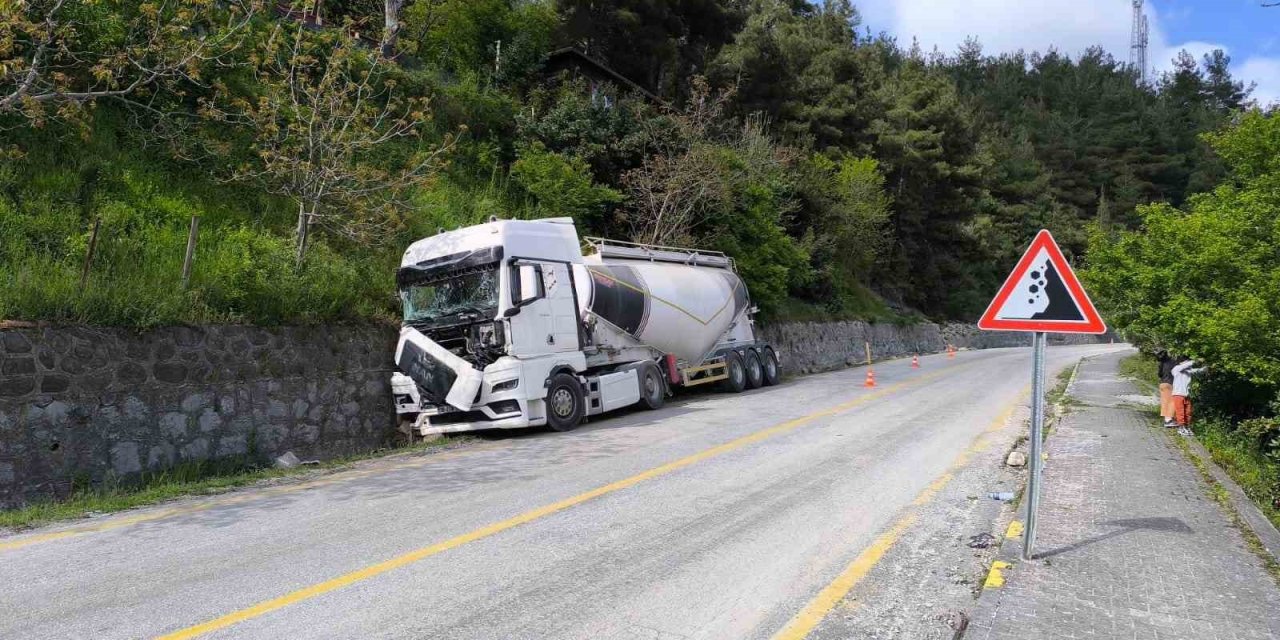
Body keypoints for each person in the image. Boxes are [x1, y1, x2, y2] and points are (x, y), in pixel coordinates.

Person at [1171, 358, 1206, 428]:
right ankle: (1181, 427)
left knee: (1188, 412)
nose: (1188, 363)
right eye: (1186, 361)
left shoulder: (1188, 372)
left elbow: (1199, 371)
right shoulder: (1176, 369)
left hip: (1186, 395)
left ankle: (1186, 426)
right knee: (1180, 412)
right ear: (1181, 362)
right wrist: (1196, 361)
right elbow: (1186, 365)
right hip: (1178, 394)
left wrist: (1208, 367)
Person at [1156, 351, 1176, 427]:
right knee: (1171, 402)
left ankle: (1166, 419)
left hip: (1162, 384)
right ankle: (1169, 420)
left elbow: (1159, 374)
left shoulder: (1161, 364)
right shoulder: (1173, 362)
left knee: (1164, 402)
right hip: (1170, 383)